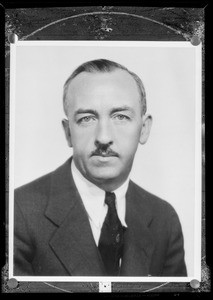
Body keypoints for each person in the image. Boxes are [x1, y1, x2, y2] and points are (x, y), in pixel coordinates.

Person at [14, 59, 187, 277]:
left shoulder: (164, 218)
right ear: (68, 133)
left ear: (144, 129)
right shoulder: (18, 214)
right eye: (87, 118)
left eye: (121, 117)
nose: (103, 137)